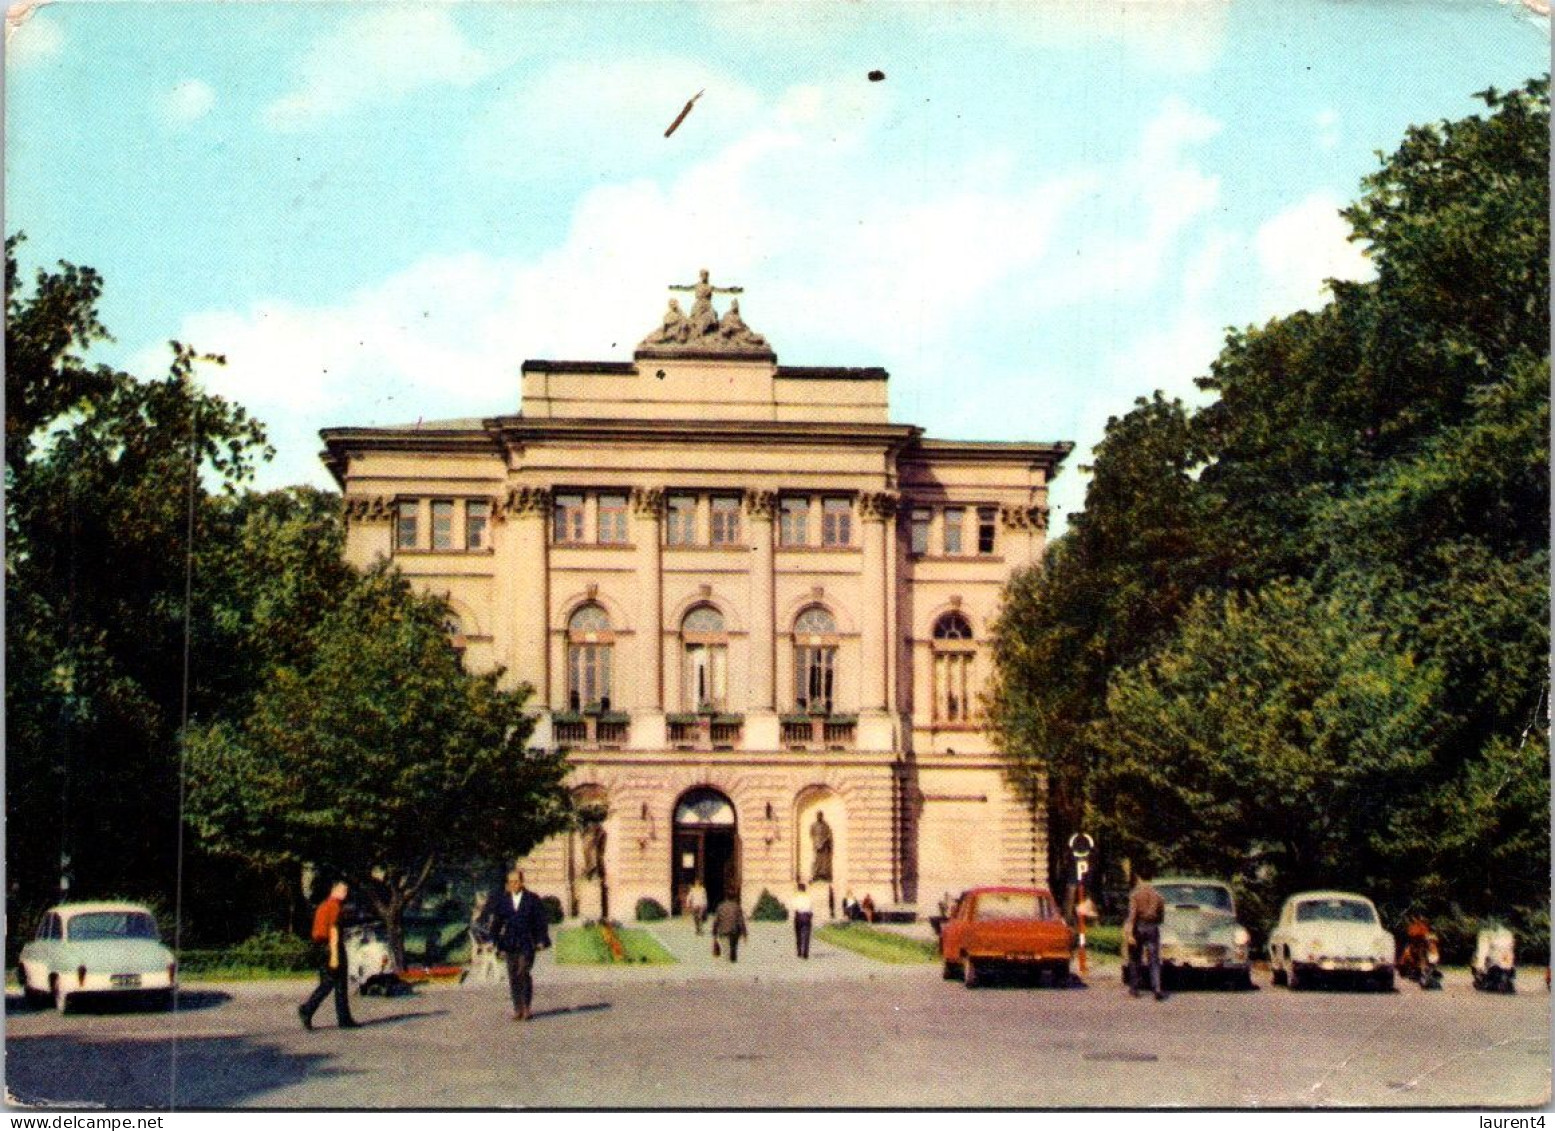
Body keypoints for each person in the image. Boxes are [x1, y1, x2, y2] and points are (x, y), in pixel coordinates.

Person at [485, 869, 552, 1021]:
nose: (513, 884)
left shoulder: (532, 899)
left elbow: (541, 921)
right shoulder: (503, 900)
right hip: (509, 942)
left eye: (516, 881)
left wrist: (541, 939)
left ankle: (526, 1007)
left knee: (523, 971)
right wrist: (492, 940)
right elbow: (497, 922)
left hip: (527, 941)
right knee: (513, 974)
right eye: (510, 882)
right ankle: (517, 1008)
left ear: (522, 882)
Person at [299, 880, 358, 1030]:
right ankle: (307, 1008)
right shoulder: (334, 907)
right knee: (331, 983)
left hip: (321, 947)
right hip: (332, 947)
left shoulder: (323, 905)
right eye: (342, 890)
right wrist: (335, 955)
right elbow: (334, 930)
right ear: (334, 890)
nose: (345, 894)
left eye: (346, 890)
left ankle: (344, 1018)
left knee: (337, 984)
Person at [1124, 869, 1167, 1000]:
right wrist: (1155, 922)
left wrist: (1130, 932)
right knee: (1154, 959)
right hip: (1152, 927)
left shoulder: (1135, 895)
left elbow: (1132, 915)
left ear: (1139, 878)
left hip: (1138, 927)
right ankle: (1157, 988)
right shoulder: (1158, 896)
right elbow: (1161, 916)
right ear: (1151, 878)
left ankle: (1134, 988)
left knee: (1135, 958)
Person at [711, 890, 748, 963]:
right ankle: (733, 964)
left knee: (726, 952)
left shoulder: (720, 907)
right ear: (734, 897)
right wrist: (744, 934)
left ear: (725, 897)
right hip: (734, 933)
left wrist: (714, 932)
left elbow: (716, 921)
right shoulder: (737, 907)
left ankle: (727, 968)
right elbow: (741, 921)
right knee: (733, 951)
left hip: (723, 932)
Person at [791, 882, 814, 959]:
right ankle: (805, 953)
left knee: (798, 934)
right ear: (805, 889)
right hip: (807, 916)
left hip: (798, 916)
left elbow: (794, 907)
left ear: (798, 889)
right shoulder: (808, 897)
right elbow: (810, 906)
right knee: (807, 935)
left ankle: (799, 951)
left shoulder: (796, 897)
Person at [809, 812, 834, 883]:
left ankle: (824, 875)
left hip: (824, 846)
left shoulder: (825, 825)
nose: (819, 817)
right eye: (818, 815)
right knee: (816, 860)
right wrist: (816, 843)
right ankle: (815, 874)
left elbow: (828, 834)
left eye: (820, 815)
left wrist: (824, 841)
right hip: (817, 846)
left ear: (822, 816)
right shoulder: (813, 825)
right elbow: (812, 834)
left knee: (824, 861)